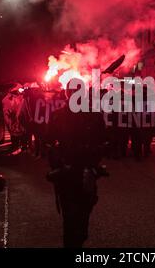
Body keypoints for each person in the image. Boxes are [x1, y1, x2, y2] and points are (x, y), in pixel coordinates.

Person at [45, 79, 108, 248]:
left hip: (80, 172)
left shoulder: (93, 116)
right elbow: (50, 144)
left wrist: (93, 164)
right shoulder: (61, 115)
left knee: (77, 217)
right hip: (70, 173)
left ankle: (76, 240)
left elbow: (102, 143)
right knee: (74, 219)